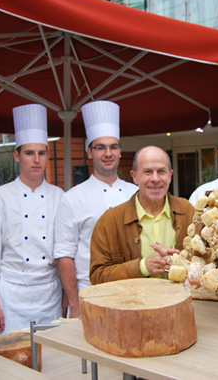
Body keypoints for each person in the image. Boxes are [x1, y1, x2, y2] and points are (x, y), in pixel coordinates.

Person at [0, 104, 64, 336]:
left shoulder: (60, 197)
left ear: (47, 156)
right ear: (17, 156)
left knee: (52, 361)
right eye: (29, 153)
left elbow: (64, 252)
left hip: (49, 295)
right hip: (10, 297)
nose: (36, 160)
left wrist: (65, 297)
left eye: (41, 153)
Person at [54, 101, 138, 317]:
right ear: (89, 153)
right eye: (100, 147)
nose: (108, 153)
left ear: (120, 152)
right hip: (89, 294)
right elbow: (64, 255)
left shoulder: (136, 194)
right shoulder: (72, 198)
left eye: (113, 147)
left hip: (133, 292)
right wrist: (74, 303)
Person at [90, 146, 195, 285]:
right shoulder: (110, 220)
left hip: (181, 303)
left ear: (170, 176)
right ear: (134, 177)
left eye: (161, 171)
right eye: (147, 172)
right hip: (133, 304)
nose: (155, 179)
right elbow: (97, 276)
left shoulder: (188, 211)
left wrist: (179, 261)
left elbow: (208, 263)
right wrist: (143, 266)